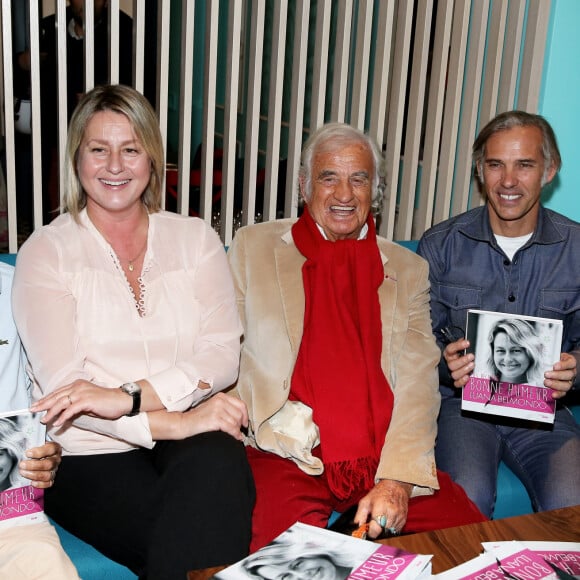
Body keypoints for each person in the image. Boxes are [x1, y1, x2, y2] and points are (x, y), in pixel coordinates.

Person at [12, 84, 255, 579]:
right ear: (77, 159)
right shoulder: (48, 251)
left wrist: (130, 397)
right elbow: (67, 395)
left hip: (187, 433)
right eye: (98, 150)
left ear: (152, 156)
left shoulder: (195, 240)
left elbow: (221, 354)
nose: (115, 165)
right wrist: (176, 421)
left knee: (221, 468)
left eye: (131, 148)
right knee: (193, 530)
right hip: (87, 452)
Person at [228, 122, 486, 553]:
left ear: (376, 188)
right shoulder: (252, 248)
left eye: (358, 179)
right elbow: (226, 354)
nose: (344, 195)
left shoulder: (407, 269)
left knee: (473, 546)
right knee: (284, 564)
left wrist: (397, 479)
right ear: (304, 184)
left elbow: (419, 384)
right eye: (329, 177)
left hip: (381, 455)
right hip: (287, 455)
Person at [417, 110, 580, 518]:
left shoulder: (576, 248)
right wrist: (443, 363)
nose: (508, 181)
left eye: (524, 165)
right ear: (480, 170)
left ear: (549, 170)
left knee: (571, 505)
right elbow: (415, 341)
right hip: (462, 408)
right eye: (496, 165)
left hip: (547, 410)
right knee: (465, 500)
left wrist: (575, 371)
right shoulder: (441, 245)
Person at [0, 261, 79, 578]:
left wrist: (47, 449)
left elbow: (45, 394)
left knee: (44, 563)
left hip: (9, 519)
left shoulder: (19, 289)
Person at [485, 318, 544, 385]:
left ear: (530, 353)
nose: (507, 359)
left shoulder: (542, 391)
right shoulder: (479, 385)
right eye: (501, 350)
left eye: (516, 350)